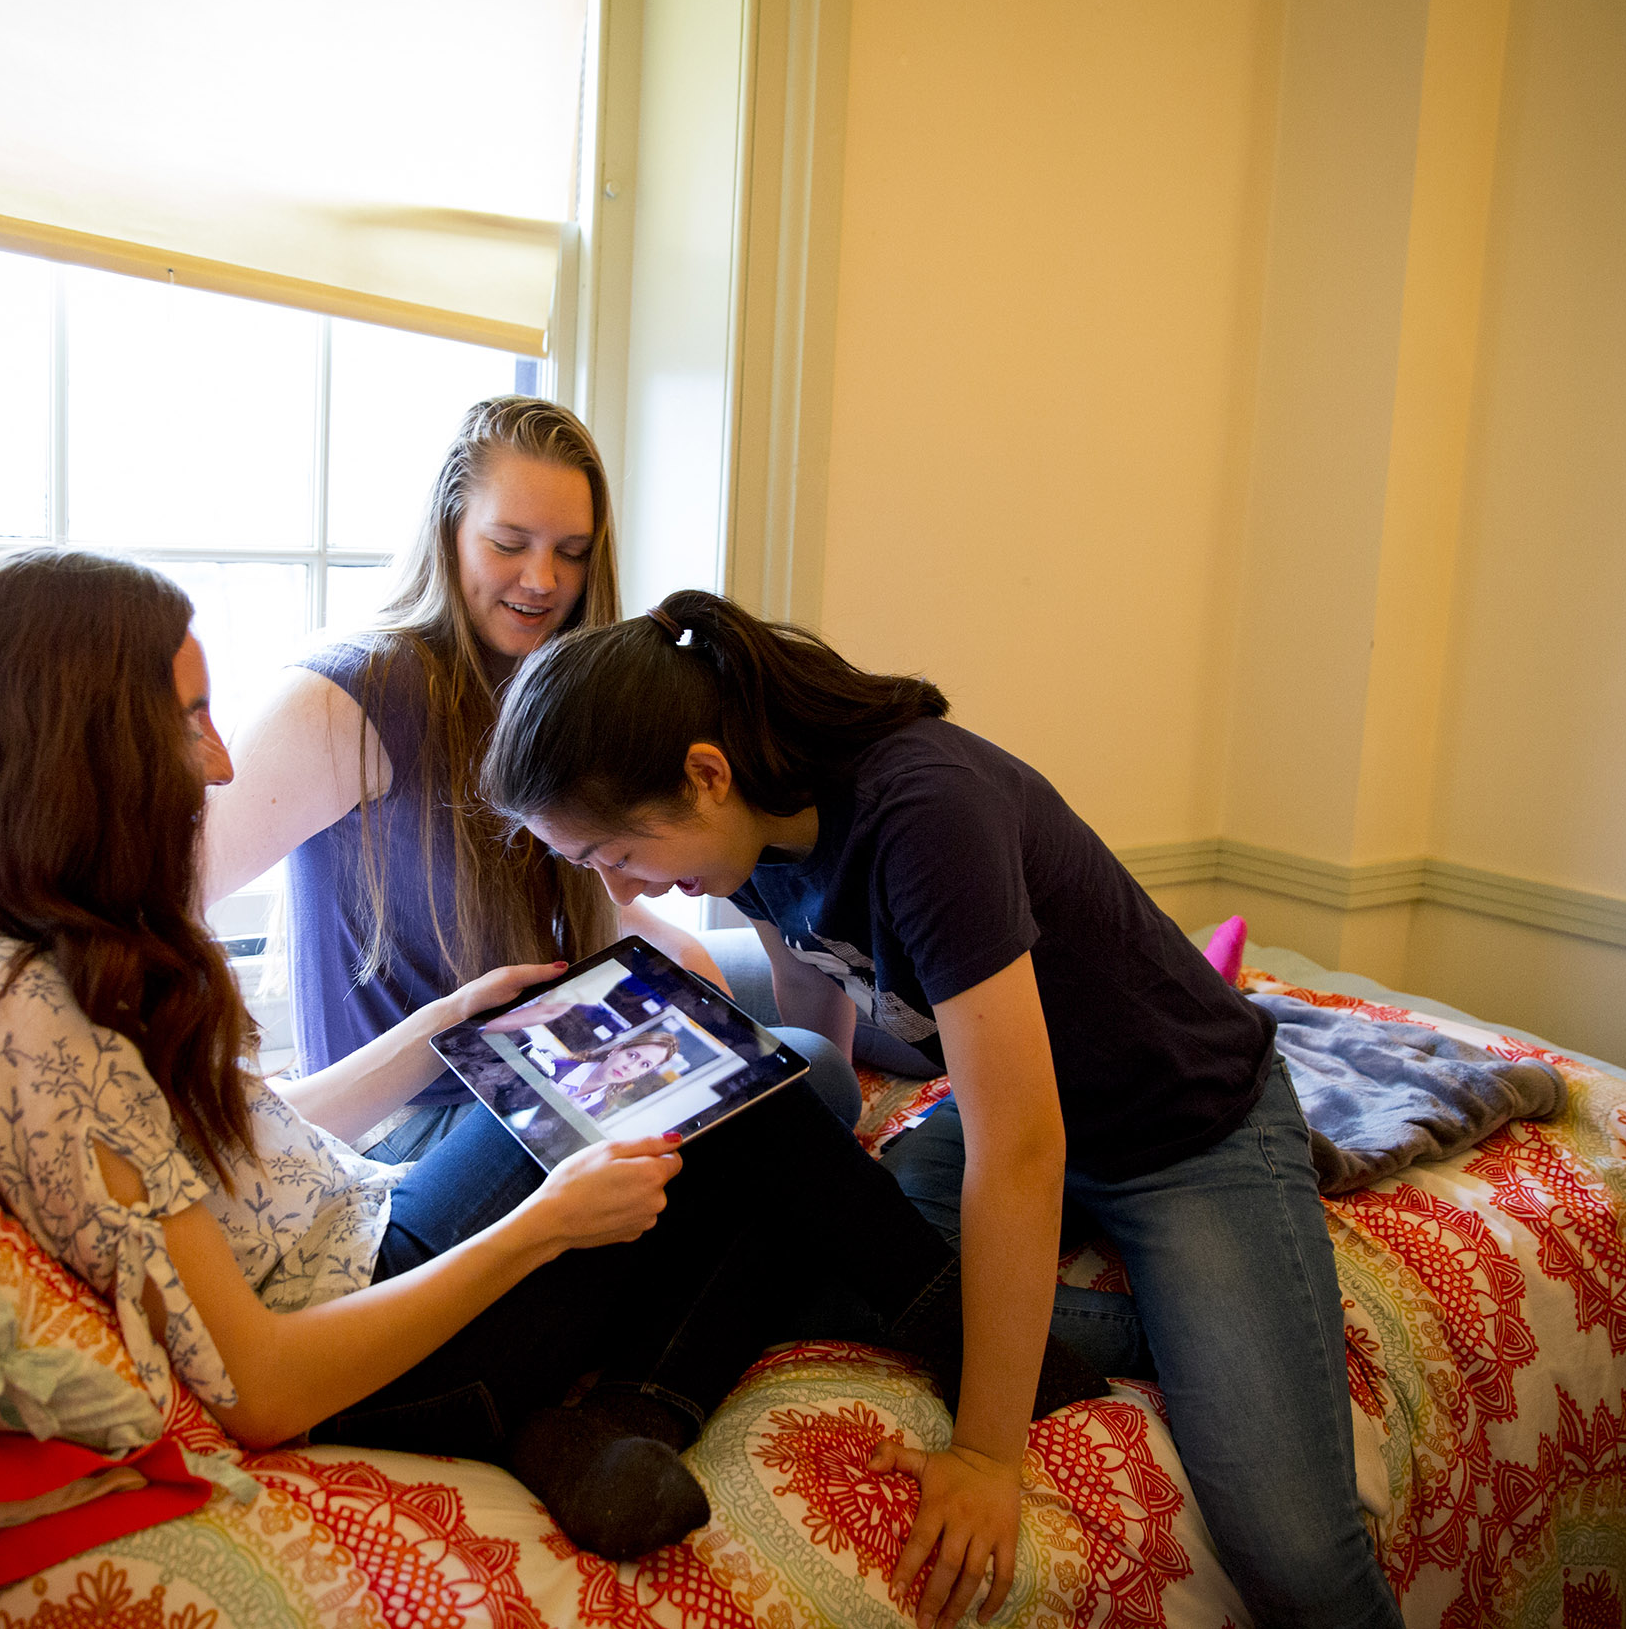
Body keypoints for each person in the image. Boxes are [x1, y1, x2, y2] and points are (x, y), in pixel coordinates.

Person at [0, 550, 1008, 1563]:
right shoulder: (29, 1017)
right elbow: (262, 1386)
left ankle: (607, 1416)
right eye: (186, 719)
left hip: (372, 1226)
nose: (218, 762)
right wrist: (547, 1219)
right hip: (383, 1332)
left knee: (722, 1076)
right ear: (75, 746)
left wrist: (445, 1032)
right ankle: (1010, 1361)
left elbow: (252, 1138)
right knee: (753, 1100)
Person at [479, 589, 1404, 1629]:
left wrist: (982, 1452)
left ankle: (1207, 1336)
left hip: (1182, 1132)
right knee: (834, 1259)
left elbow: (1021, 1146)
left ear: (704, 774)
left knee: (1294, 1557)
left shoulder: (923, 813)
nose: (635, 885)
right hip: (1010, 1100)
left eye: (618, 853)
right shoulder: (749, 828)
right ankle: (1173, 1330)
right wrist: (817, 1156)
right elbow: (819, 987)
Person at [199, 397, 862, 1161]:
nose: (542, 580)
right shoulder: (345, 698)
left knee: (828, 993)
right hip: (432, 1108)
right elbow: (157, 895)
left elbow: (562, 886)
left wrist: (669, 941)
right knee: (818, 1075)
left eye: (572, 552)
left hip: (549, 1033)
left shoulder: (552, 689)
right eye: (509, 543)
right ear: (449, 530)